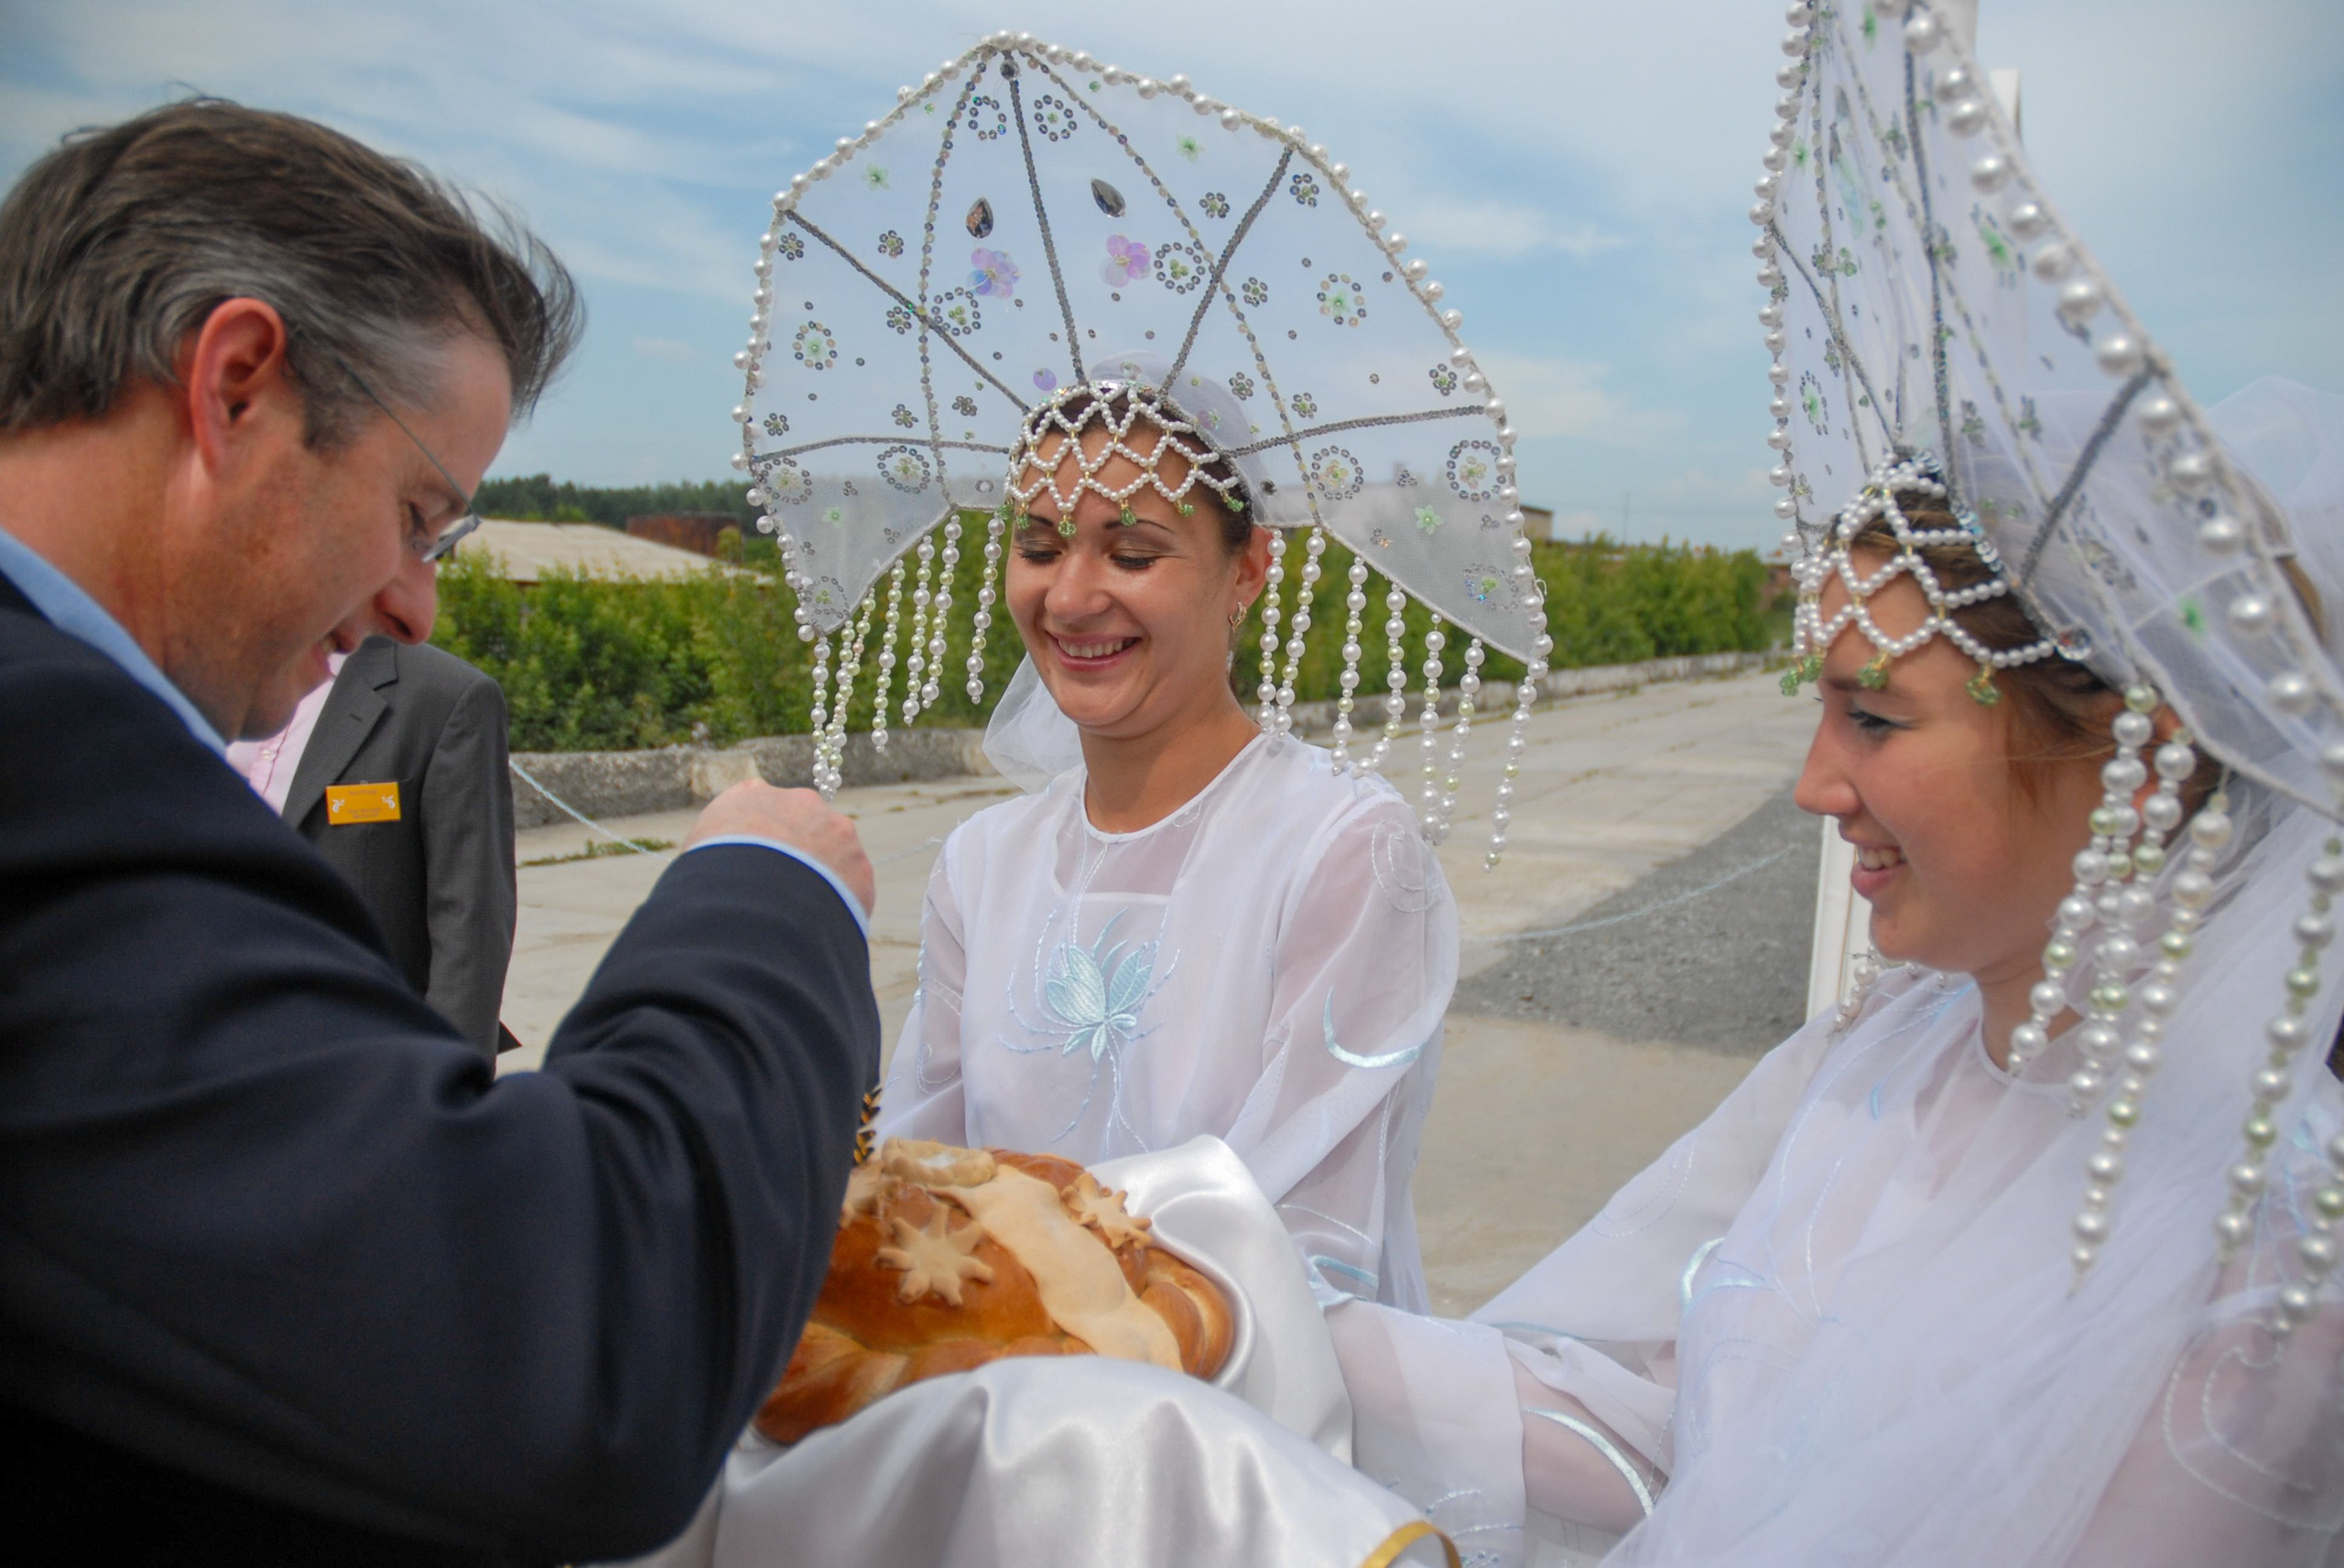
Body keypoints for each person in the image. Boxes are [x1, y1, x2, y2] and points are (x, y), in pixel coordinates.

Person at [1318, 15, 2344, 1567]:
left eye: (1876, 715)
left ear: (2142, 757)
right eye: (1820, 708)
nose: (1813, 785)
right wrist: (1260, 1328)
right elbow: (1657, 1419)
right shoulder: (1884, 1053)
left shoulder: (2263, 1272)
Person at [0, 100, 882, 1563]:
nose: (415, 602)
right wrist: (762, 887)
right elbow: (578, 1343)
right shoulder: (44, 759)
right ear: (234, 387)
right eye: (418, 513)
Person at [873, 367, 1459, 1310]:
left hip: (1236, 1410)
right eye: (1036, 546)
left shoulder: (1343, 852)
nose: (1068, 599)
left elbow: (1305, 1243)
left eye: (1132, 555)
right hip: (990, 1389)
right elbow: (921, 1173)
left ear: (1250, 569)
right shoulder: (983, 862)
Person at [233, 632, 522, 1058]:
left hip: (356, 1060)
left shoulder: (444, 696)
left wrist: (449, 1088)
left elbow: (470, 922)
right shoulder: (192, 672)